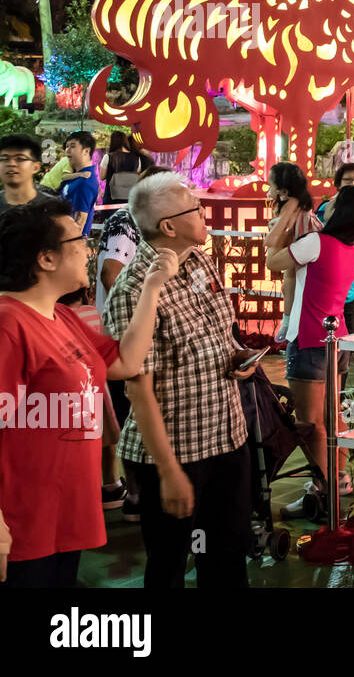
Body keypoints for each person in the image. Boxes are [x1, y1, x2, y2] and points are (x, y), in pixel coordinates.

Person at [0, 200, 177, 587]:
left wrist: (151, 288)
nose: (90, 250)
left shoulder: (62, 317)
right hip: (21, 524)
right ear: (46, 259)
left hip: (65, 516)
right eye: (79, 241)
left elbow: (126, 362)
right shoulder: (9, 324)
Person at [103, 173, 259, 588]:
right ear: (168, 226)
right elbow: (137, 389)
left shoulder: (199, 258)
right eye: (195, 207)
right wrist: (170, 471)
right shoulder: (134, 289)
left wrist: (238, 353)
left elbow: (219, 331)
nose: (204, 212)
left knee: (226, 557)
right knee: (170, 563)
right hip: (176, 450)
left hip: (227, 436)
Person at [268, 185, 354, 518]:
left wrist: (287, 214)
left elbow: (272, 259)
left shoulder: (317, 243)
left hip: (310, 340)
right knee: (332, 417)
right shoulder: (352, 245)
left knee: (310, 423)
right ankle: (336, 482)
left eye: (335, 201)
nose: (327, 204)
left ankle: (326, 492)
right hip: (335, 338)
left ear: (342, 211)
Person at [95, 166, 173, 521]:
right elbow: (111, 273)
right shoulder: (126, 223)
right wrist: (140, 316)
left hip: (132, 335)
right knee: (130, 415)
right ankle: (135, 494)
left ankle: (128, 490)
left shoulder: (152, 228)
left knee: (132, 413)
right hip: (122, 336)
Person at [265, 162, 322, 344]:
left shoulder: (303, 219)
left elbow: (278, 257)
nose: (268, 191)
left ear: (283, 192)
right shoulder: (297, 214)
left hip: (305, 286)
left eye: (270, 186)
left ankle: (288, 321)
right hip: (296, 278)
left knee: (290, 279)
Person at [316, 163, 354, 335]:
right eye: (348, 180)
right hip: (322, 294)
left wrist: (345, 264)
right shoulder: (325, 212)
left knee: (345, 349)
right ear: (338, 184)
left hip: (348, 294)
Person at [0, 134, 58, 212]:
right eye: (4, 159)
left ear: (36, 167)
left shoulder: (52, 207)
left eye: (20, 159)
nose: (11, 164)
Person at [58, 131, 100, 237]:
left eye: (72, 146)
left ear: (86, 151)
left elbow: (80, 220)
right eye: (67, 146)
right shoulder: (78, 177)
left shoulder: (84, 182)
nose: (67, 150)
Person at [99, 131, 150, 204]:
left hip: (111, 198)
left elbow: (102, 176)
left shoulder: (108, 157)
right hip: (129, 198)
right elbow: (137, 173)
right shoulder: (136, 158)